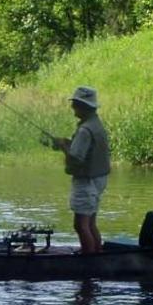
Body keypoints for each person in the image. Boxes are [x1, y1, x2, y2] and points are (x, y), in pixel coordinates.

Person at [51, 86, 111, 255]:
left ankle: (88, 262)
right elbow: (86, 150)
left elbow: (75, 158)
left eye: (75, 104)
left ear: (83, 106)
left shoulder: (85, 130)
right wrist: (67, 142)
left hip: (86, 182)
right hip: (98, 180)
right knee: (90, 223)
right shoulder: (95, 124)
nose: (73, 107)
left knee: (80, 225)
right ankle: (96, 254)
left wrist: (63, 146)